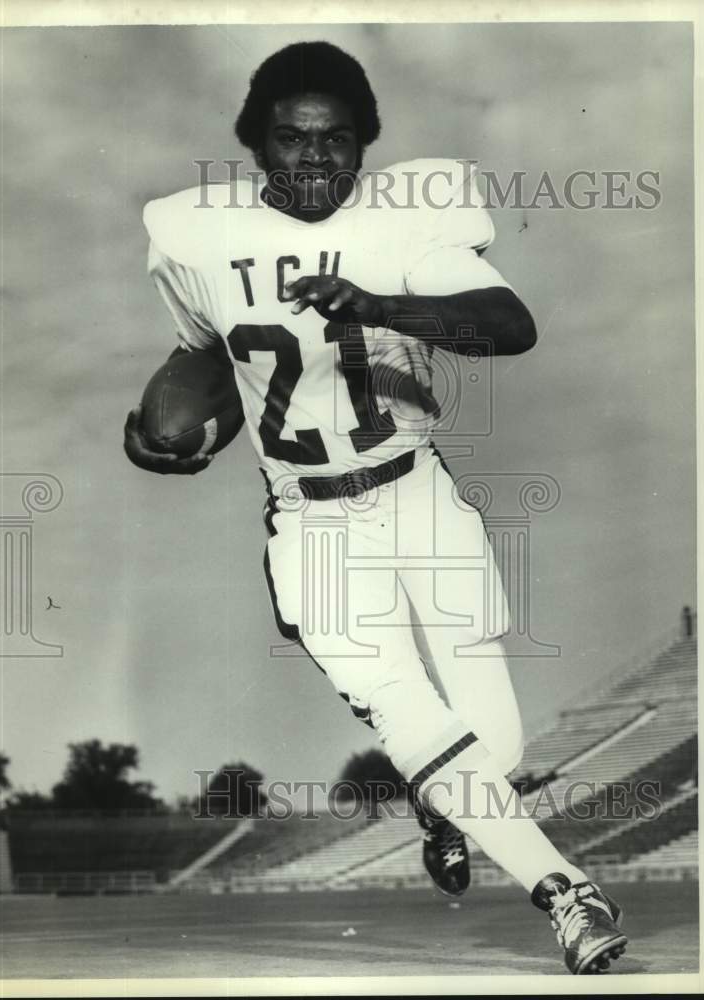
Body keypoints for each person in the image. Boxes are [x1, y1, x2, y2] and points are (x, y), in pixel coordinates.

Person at [124, 41, 628, 975]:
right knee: (407, 713)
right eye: (291, 139)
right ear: (256, 145)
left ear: (364, 144)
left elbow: (509, 327)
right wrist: (164, 432)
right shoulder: (194, 235)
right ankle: (568, 894)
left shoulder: (406, 220)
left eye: (337, 139)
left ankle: (442, 801)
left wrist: (380, 306)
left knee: (492, 746)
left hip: (416, 490)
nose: (314, 158)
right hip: (310, 520)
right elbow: (212, 362)